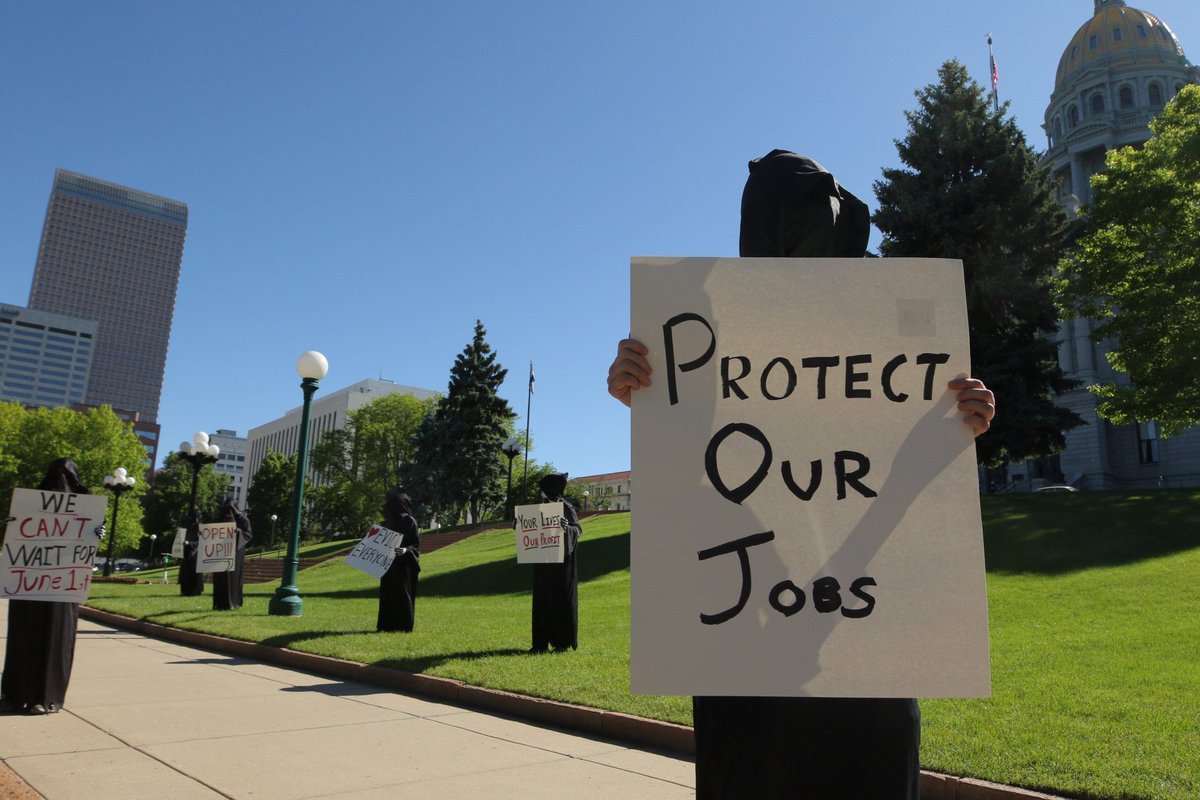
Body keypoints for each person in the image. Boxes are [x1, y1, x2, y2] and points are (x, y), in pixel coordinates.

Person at [606, 149, 997, 799]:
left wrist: (964, 420)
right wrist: (641, 396)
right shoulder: (702, 331)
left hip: (864, 652)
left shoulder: (888, 333)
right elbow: (685, 479)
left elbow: (905, 483)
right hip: (746, 652)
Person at [1, 458, 104, 715]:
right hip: (29, 586)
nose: (60, 484)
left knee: (55, 639)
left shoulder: (85, 509)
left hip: (62, 589)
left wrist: (95, 533)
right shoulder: (30, 505)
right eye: (56, 476)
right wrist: (13, 524)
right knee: (25, 637)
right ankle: (17, 692)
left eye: (66, 478)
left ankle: (47, 696)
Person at [530, 472, 582, 652]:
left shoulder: (566, 506)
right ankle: (540, 643)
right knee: (542, 601)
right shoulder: (538, 507)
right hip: (543, 563)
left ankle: (562, 642)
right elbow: (530, 528)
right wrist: (520, 525)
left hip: (562, 564)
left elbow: (577, 529)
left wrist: (566, 528)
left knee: (561, 600)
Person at [377, 487, 421, 632]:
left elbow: (415, 545)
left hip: (403, 566)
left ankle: (403, 625)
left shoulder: (409, 521)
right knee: (387, 594)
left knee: (402, 595)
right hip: (388, 565)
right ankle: (386, 625)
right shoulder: (388, 522)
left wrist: (405, 551)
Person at [211, 499, 253, 611]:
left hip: (235, 554)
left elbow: (248, 534)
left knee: (233, 578)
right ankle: (219, 603)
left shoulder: (243, 520)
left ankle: (234, 602)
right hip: (220, 553)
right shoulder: (219, 520)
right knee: (220, 578)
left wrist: (238, 532)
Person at [178, 508, 205, 597]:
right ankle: (186, 590)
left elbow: (201, 541)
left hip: (195, 554)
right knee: (186, 572)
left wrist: (189, 543)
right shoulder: (187, 527)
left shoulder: (200, 528)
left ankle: (195, 590)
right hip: (187, 553)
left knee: (195, 572)